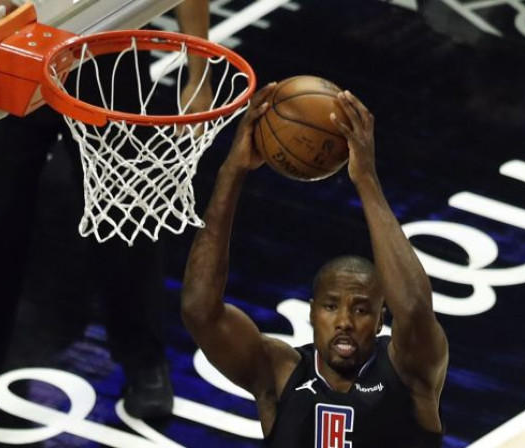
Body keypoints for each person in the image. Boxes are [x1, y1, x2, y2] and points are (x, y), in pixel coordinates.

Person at [0, 0, 212, 443]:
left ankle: (145, 361)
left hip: (106, 44)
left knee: (125, 213)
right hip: (14, 48)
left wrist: (198, 70)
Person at [181, 84, 449, 447]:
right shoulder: (280, 373)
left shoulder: (409, 370)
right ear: (311, 313)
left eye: (361, 309)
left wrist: (366, 180)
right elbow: (200, 311)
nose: (344, 321)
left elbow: (415, 308)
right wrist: (233, 170)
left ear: (381, 317)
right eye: (330, 305)